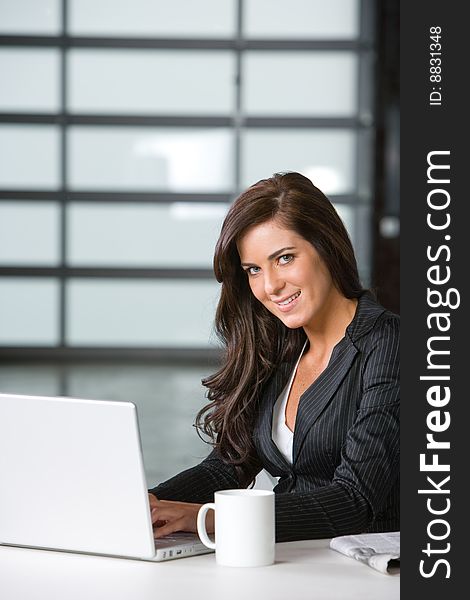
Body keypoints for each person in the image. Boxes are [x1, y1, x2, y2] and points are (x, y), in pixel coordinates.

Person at [148, 171, 399, 542]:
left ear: (326, 247)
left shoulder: (390, 343)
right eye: (254, 269)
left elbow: (355, 500)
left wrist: (209, 517)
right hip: (287, 560)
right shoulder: (279, 348)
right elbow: (229, 465)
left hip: (365, 570)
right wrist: (149, 503)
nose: (270, 286)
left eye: (284, 258)